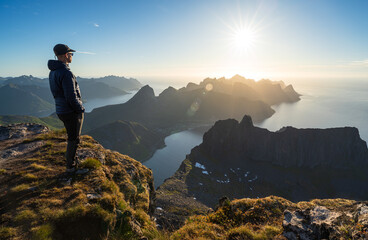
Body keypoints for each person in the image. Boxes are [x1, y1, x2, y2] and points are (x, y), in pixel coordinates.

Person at [48, 44, 85, 172]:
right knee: (74, 139)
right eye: (71, 54)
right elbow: (71, 96)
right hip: (70, 111)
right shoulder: (66, 72)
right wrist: (80, 109)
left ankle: (71, 161)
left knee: (71, 137)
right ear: (66, 55)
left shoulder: (53, 72)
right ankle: (71, 167)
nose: (72, 56)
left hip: (61, 110)